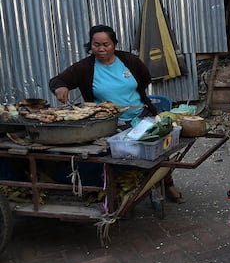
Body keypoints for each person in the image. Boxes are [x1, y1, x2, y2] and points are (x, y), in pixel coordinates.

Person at [49, 24, 186, 203]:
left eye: (106, 44)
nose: (101, 49)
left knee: (158, 149)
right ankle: (112, 190)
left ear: (114, 44)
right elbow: (58, 80)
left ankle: (167, 185)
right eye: (96, 45)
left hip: (140, 117)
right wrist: (60, 87)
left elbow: (145, 78)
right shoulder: (85, 67)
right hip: (109, 124)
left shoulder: (129, 60)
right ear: (90, 46)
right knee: (110, 156)